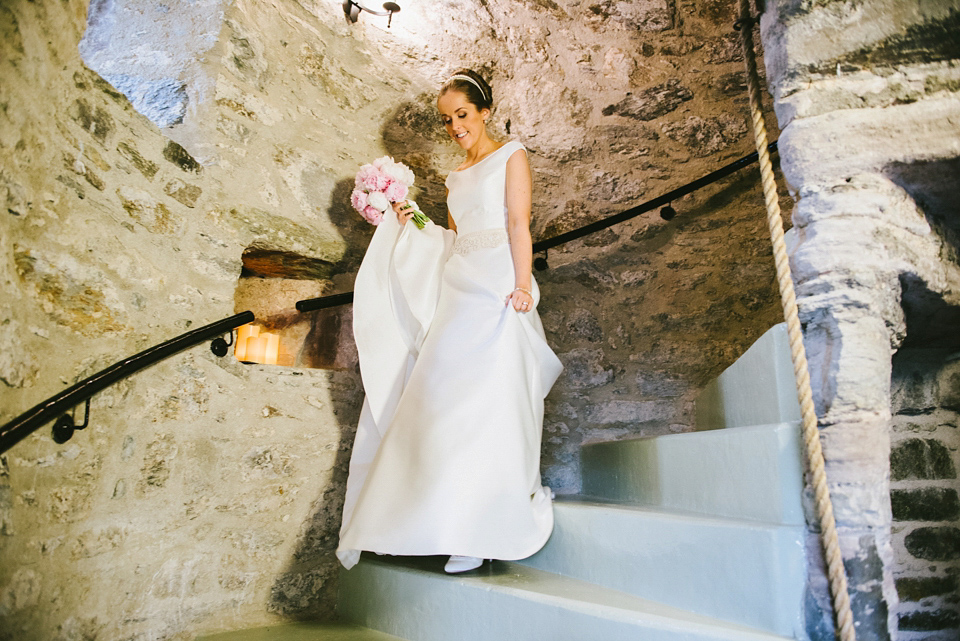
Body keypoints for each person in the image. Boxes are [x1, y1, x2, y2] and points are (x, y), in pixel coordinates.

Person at [337, 69, 562, 574]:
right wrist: (408, 214)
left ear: (483, 111)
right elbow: (451, 236)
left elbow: (517, 223)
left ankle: (480, 529)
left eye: (462, 114)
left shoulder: (512, 155)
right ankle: (423, 520)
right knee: (441, 400)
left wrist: (523, 284)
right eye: (447, 120)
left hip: (500, 283)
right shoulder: (455, 176)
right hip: (460, 286)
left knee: (490, 400)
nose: (455, 126)